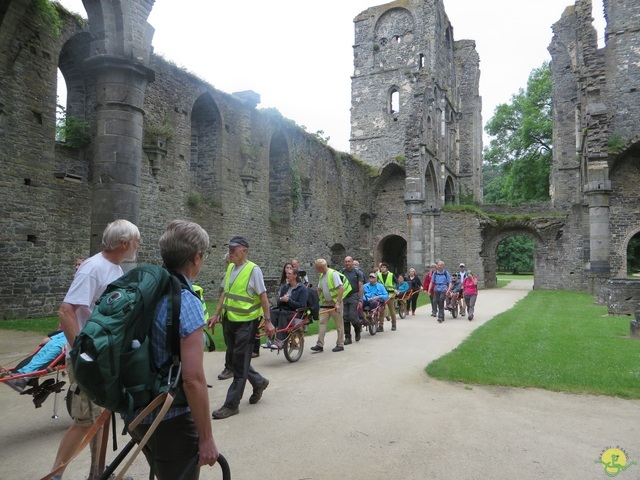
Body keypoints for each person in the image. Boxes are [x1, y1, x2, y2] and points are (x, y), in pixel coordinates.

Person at [48, 219, 140, 480]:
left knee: (102, 415)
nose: (138, 246)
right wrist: (81, 354)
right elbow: (66, 311)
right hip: (88, 359)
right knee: (86, 420)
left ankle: (98, 474)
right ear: (124, 243)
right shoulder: (93, 268)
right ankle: (55, 476)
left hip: (103, 358)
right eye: (136, 241)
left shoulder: (115, 269)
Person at [128, 220, 219, 479]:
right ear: (197, 257)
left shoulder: (147, 291)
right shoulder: (186, 302)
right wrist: (206, 438)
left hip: (136, 410)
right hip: (170, 419)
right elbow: (192, 380)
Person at [208, 236, 274, 420]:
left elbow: (263, 297)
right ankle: (259, 382)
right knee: (239, 359)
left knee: (238, 363)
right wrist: (216, 314)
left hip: (246, 323)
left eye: (233, 248)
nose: (230, 251)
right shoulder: (230, 267)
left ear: (244, 250)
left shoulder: (254, 270)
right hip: (229, 321)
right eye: (229, 248)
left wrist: (268, 321)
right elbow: (224, 294)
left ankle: (231, 405)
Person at [310, 258, 349, 352]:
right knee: (322, 323)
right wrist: (314, 300)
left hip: (335, 303)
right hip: (326, 303)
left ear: (321, 267)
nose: (316, 269)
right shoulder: (321, 276)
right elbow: (319, 289)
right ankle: (319, 344)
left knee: (339, 324)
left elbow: (341, 289)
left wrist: (338, 303)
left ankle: (340, 344)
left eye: (316, 268)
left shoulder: (333, 274)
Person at [266, 265, 309, 349]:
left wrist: (289, 300)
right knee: (272, 312)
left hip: (296, 313)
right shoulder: (285, 288)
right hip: (285, 310)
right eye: (287, 274)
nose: (287, 275)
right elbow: (278, 303)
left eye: (289, 274)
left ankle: (280, 341)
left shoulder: (302, 289)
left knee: (283, 314)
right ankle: (270, 339)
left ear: (295, 276)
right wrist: (281, 299)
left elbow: (302, 305)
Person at [341, 256, 365, 344]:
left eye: (349, 261)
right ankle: (348, 337)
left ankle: (357, 329)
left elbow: (361, 287)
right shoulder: (342, 272)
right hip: (344, 296)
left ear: (352, 262)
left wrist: (360, 300)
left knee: (352, 316)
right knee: (345, 317)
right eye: (346, 262)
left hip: (354, 296)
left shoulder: (358, 272)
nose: (347, 263)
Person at [377, 262, 398, 332]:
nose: (382, 268)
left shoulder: (391, 275)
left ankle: (394, 324)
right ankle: (380, 326)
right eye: (381, 267)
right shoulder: (378, 275)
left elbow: (397, 282)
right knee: (381, 311)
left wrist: (396, 289)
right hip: (382, 295)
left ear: (387, 269)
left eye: (384, 267)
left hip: (390, 295)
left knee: (391, 310)